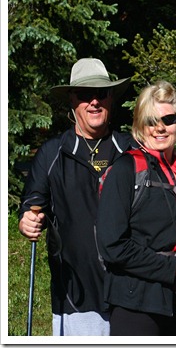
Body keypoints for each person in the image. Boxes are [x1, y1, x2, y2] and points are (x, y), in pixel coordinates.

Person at [18, 58, 134, 335]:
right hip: (75, 295)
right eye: (85, 95)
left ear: (111, 99)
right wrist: (27, 220)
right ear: (72, 100)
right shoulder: (52, 152)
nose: (94, 101)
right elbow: (32, 203)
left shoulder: (130, 150)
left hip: (129, 293)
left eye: (101, 93)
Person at [95, 80, 176, 336]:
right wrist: (173, 267)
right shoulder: (125, 171)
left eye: (169, 119)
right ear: (140, 124)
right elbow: (112, 245)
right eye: (151, 120)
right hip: (136, 303)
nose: (159, 128)